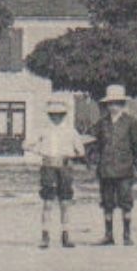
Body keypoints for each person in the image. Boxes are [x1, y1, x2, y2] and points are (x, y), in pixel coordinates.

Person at [30, 98, 88, 249]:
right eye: (53, 114)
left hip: (64, 167)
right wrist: (39, 150)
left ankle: (65, 235)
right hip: (48, 167)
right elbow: (26, 144)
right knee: (48, 202)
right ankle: (45, 236)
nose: (56, 117)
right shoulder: (43, 130)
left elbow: (81, 150)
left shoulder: (70, 131)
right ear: (49, 115)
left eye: (60, 114)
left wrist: (69, 155)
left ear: (64, 115)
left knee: (65, 202)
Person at [91, 84, 137, 246]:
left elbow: (136, 146)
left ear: (122, 104)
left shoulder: (130, 122)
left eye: (117, 103)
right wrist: (96, 162)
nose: (113, 106)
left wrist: (135, 162)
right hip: (106, 169)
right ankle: (108, 235)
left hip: (125, 170)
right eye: (110, 103)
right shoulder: (102, 124)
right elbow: (97, 145)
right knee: (107, 202)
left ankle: (127, 235)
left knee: (126, 202)